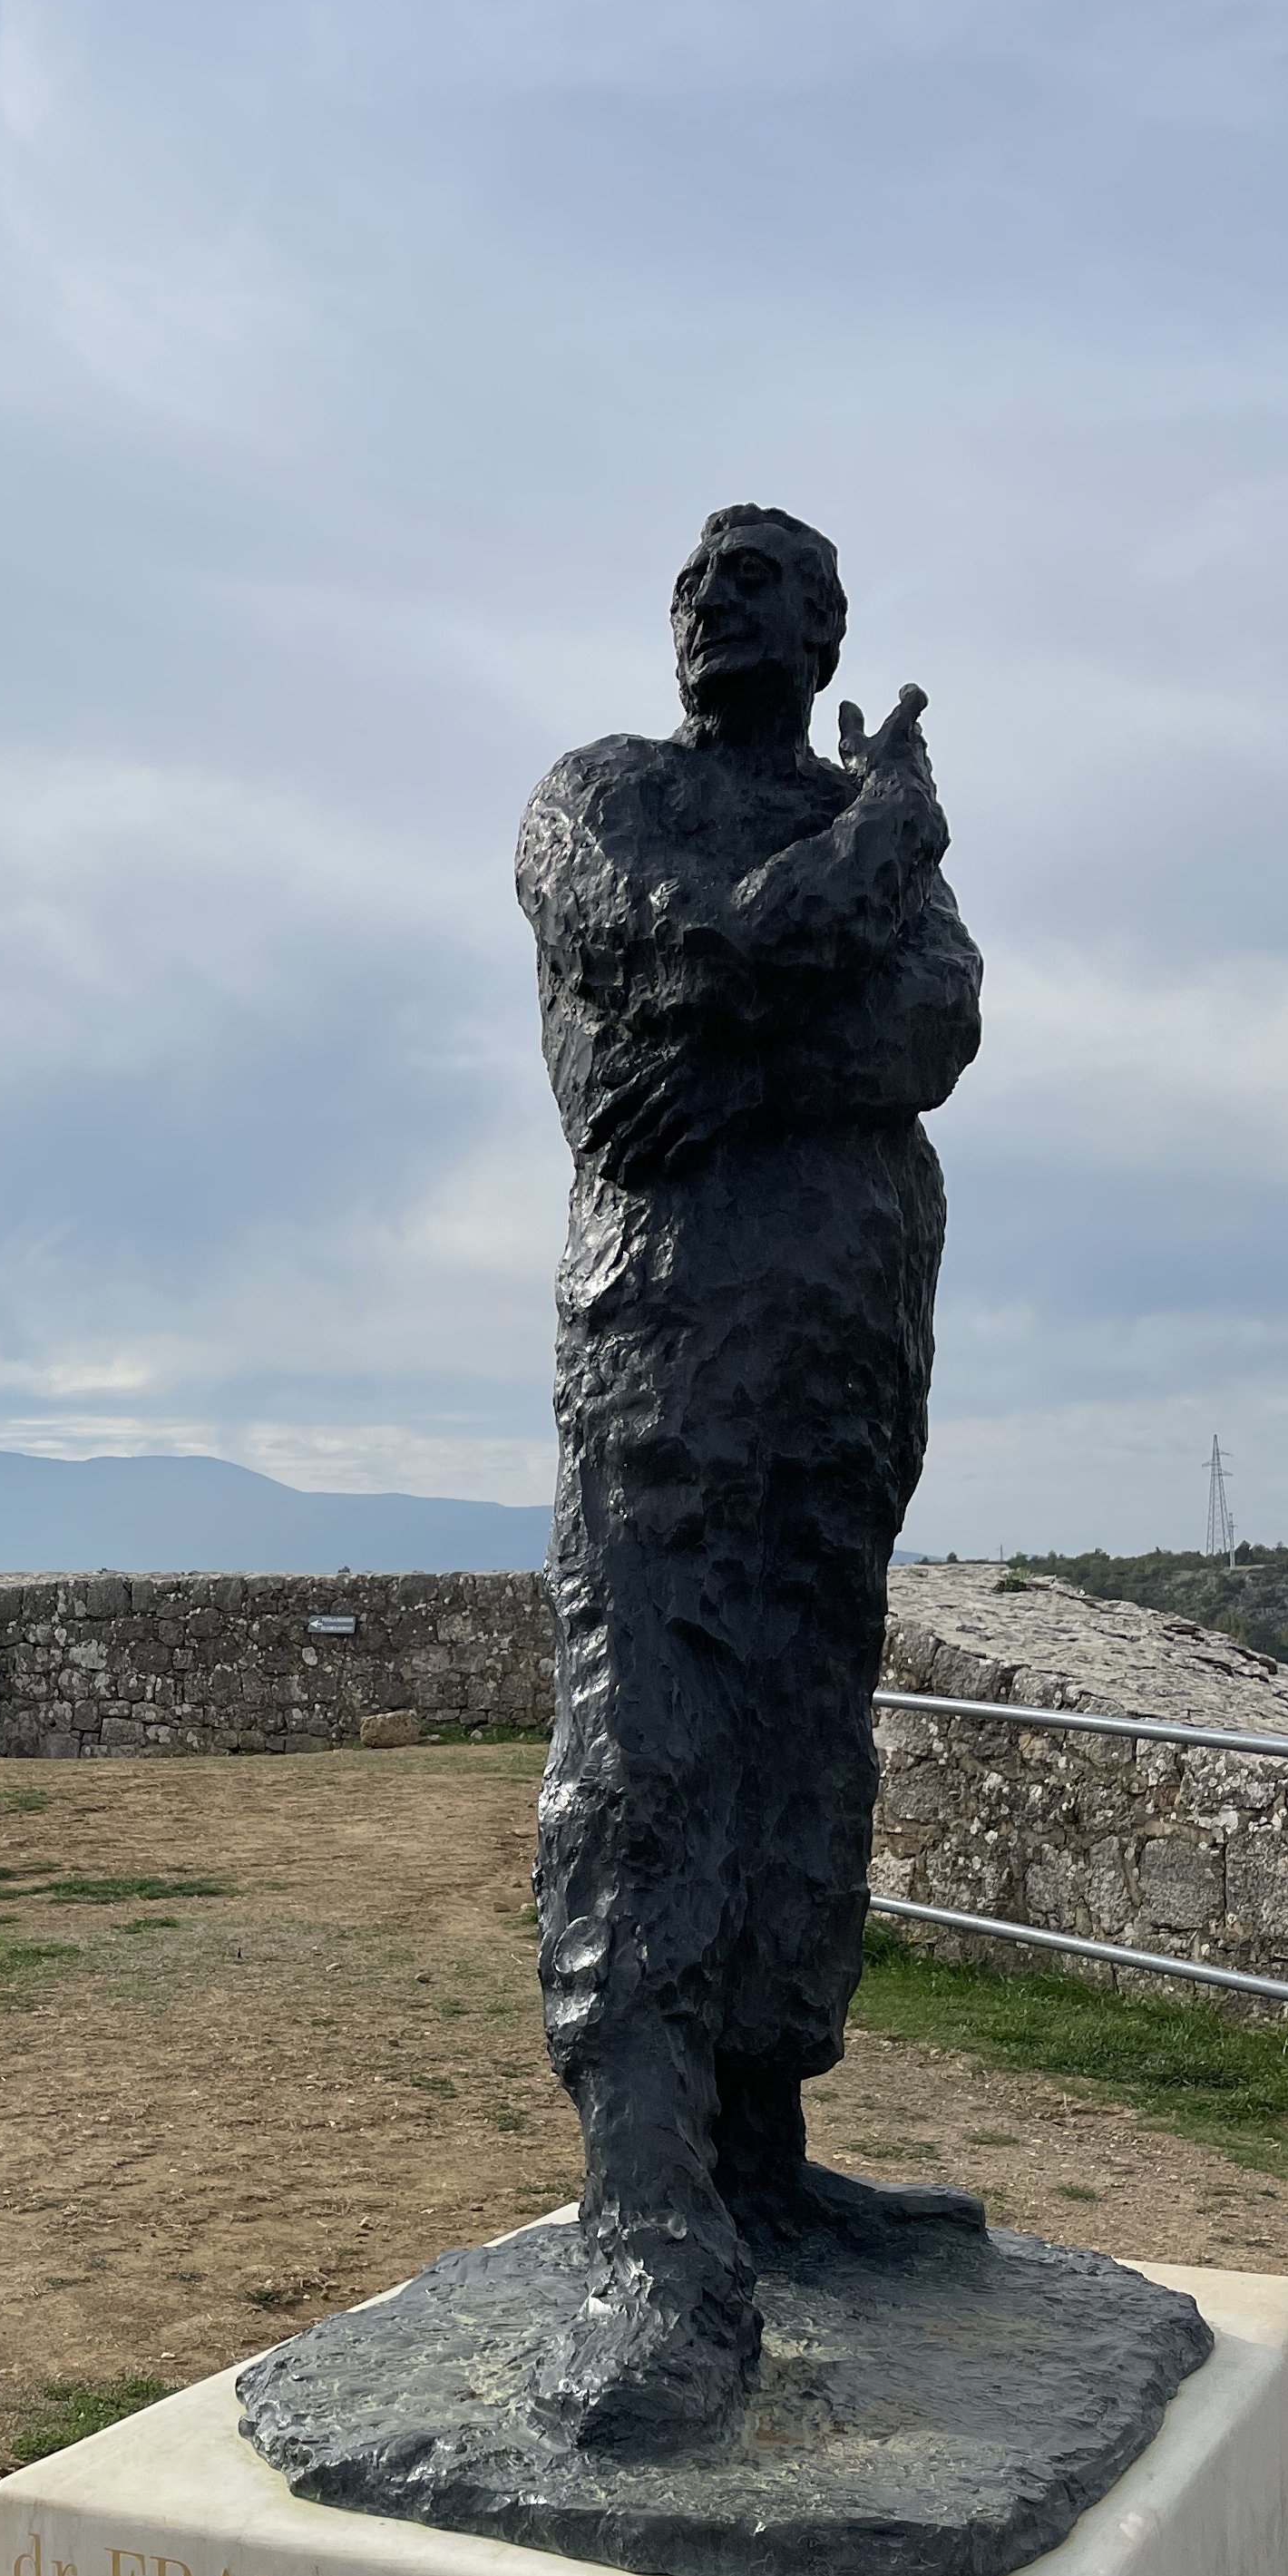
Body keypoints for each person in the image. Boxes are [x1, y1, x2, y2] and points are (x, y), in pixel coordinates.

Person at [513, 506, 986, 2450]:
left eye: (763, 580)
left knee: (804, 1736)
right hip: (669, 1328)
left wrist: (752, 1072)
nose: (718, 601)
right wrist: (898, 823)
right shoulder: (603, 796)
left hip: (849, 1345)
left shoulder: (869, 845)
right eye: (698, 581)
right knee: (651, 1735)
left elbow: (934, 1019)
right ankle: (644, 2215)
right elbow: (689, 944)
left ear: (831, 630)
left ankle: (760, 2159)